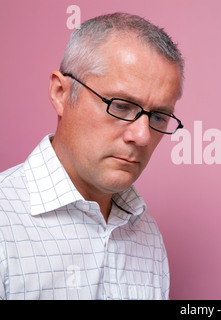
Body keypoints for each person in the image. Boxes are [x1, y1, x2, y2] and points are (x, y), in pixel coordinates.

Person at [0, 12, 191, 300]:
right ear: (61, 92)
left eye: (160, 117)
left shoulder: (146, 234)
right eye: (122, 105)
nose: (142, 136)